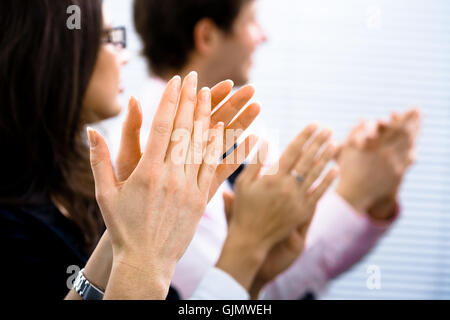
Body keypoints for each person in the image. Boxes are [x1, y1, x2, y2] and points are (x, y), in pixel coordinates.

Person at [0, 0, 337, 300]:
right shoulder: (15, 222)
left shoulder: (79, 185)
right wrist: (246, 247)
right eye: (109, 38)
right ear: (47, 52)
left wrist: (256, 272)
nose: (126, 55)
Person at [131, 0, 422, 299]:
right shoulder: (150, 154)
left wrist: (367, 189)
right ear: (207, 36)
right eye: (251, 21)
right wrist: (353, 196)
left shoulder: (237, 130)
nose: (263, 36)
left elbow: (272, 264)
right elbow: (231, 292)